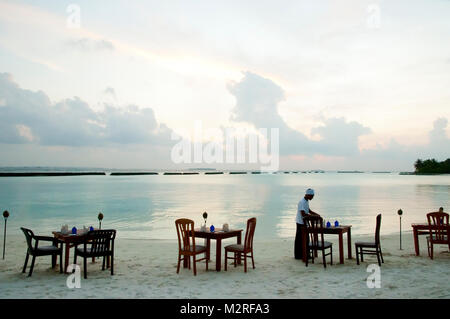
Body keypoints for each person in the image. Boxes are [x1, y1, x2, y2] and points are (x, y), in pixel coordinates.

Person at [294, 188, 321, 260]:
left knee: (306, 239)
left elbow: (308, 210)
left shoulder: (306, 201)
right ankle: (299, 256)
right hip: (300, 223)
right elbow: (303, 214)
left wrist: (316, 214)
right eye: (312, 196)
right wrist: (314, 216)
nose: (312, 197)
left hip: (305, 223)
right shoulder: (301, 202)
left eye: (313, 196)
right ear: (308, 195)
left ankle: (306, 254)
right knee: (300, 240)